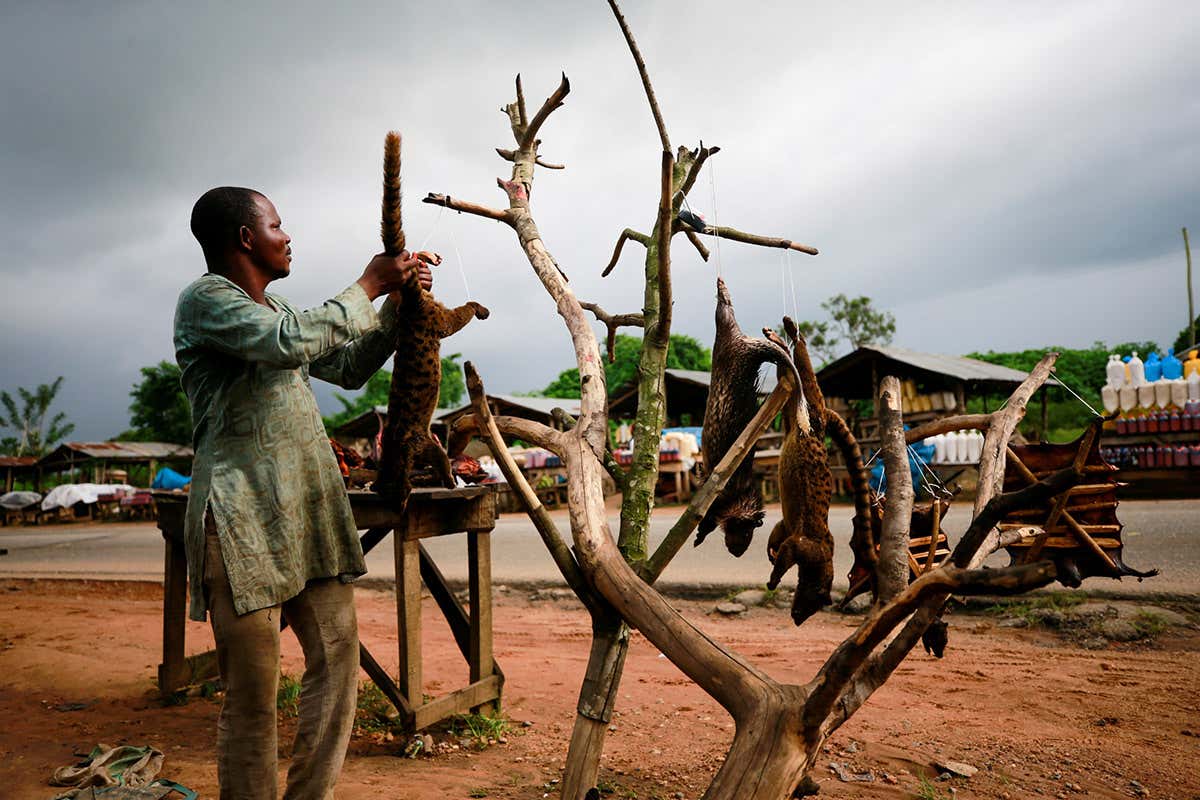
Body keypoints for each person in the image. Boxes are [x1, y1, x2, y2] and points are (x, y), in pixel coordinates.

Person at [174, 186, 431, 799]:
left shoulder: (279, 307)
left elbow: (343, 365)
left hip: (304, 516)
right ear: (245, 238)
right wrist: (368, 284)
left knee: (338, 666)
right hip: (239, 523)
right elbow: (288, 342)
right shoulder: (206, 302)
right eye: (277, 225)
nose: (288, 236)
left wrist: (400, 308)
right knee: (254, 697)